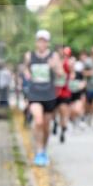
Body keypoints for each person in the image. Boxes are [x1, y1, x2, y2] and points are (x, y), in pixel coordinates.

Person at [22, 30, 64, 167]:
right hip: (34, 94)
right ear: (36, 42)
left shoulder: (54, 56)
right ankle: (39, 150)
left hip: (49, 95)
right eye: (39, 40)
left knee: (46, 125)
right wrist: (27, 74)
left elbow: (61, 74)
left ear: (48, 43)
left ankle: (44, 149)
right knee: (38, 121)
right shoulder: (29, 56)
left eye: (44, 41)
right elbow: (25, 69)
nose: (41, 43)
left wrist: (54, 67)